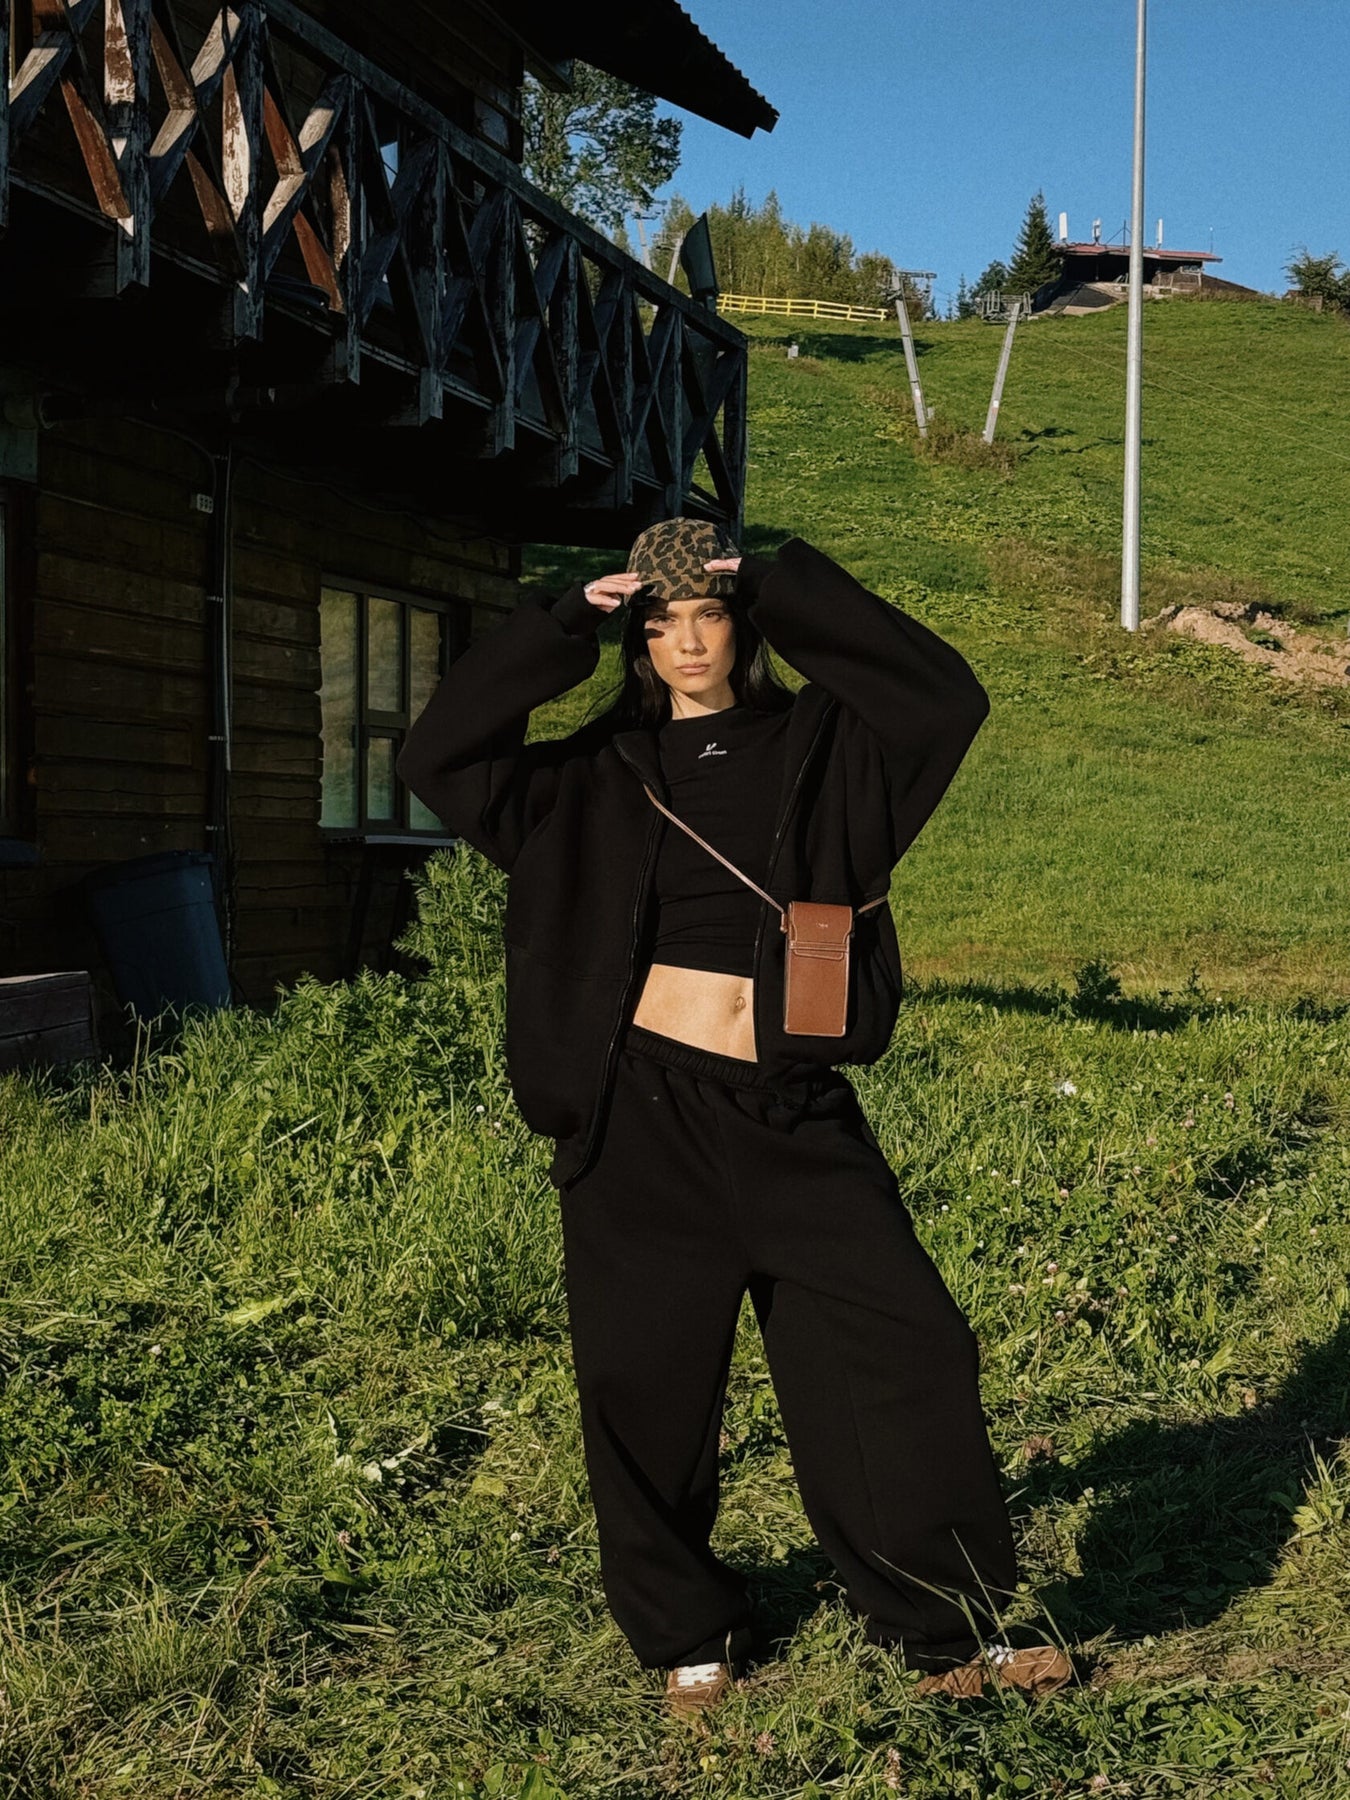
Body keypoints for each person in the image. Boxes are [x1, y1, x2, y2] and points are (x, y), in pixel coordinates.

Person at [395, 518, 1071, 1712]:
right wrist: (562, 619)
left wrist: (779, 576)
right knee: (644, 1384)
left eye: (708, 615)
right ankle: (686, 1634)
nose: (688, 642)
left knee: (903, 1346)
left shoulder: (829, 751)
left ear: (742, 627)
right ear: (638, 646)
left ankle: (943, 1620)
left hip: (793, 1112)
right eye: (661, 625)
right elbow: (438, 753)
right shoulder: (582, 782)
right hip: (637, 1117)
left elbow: (943, 698)